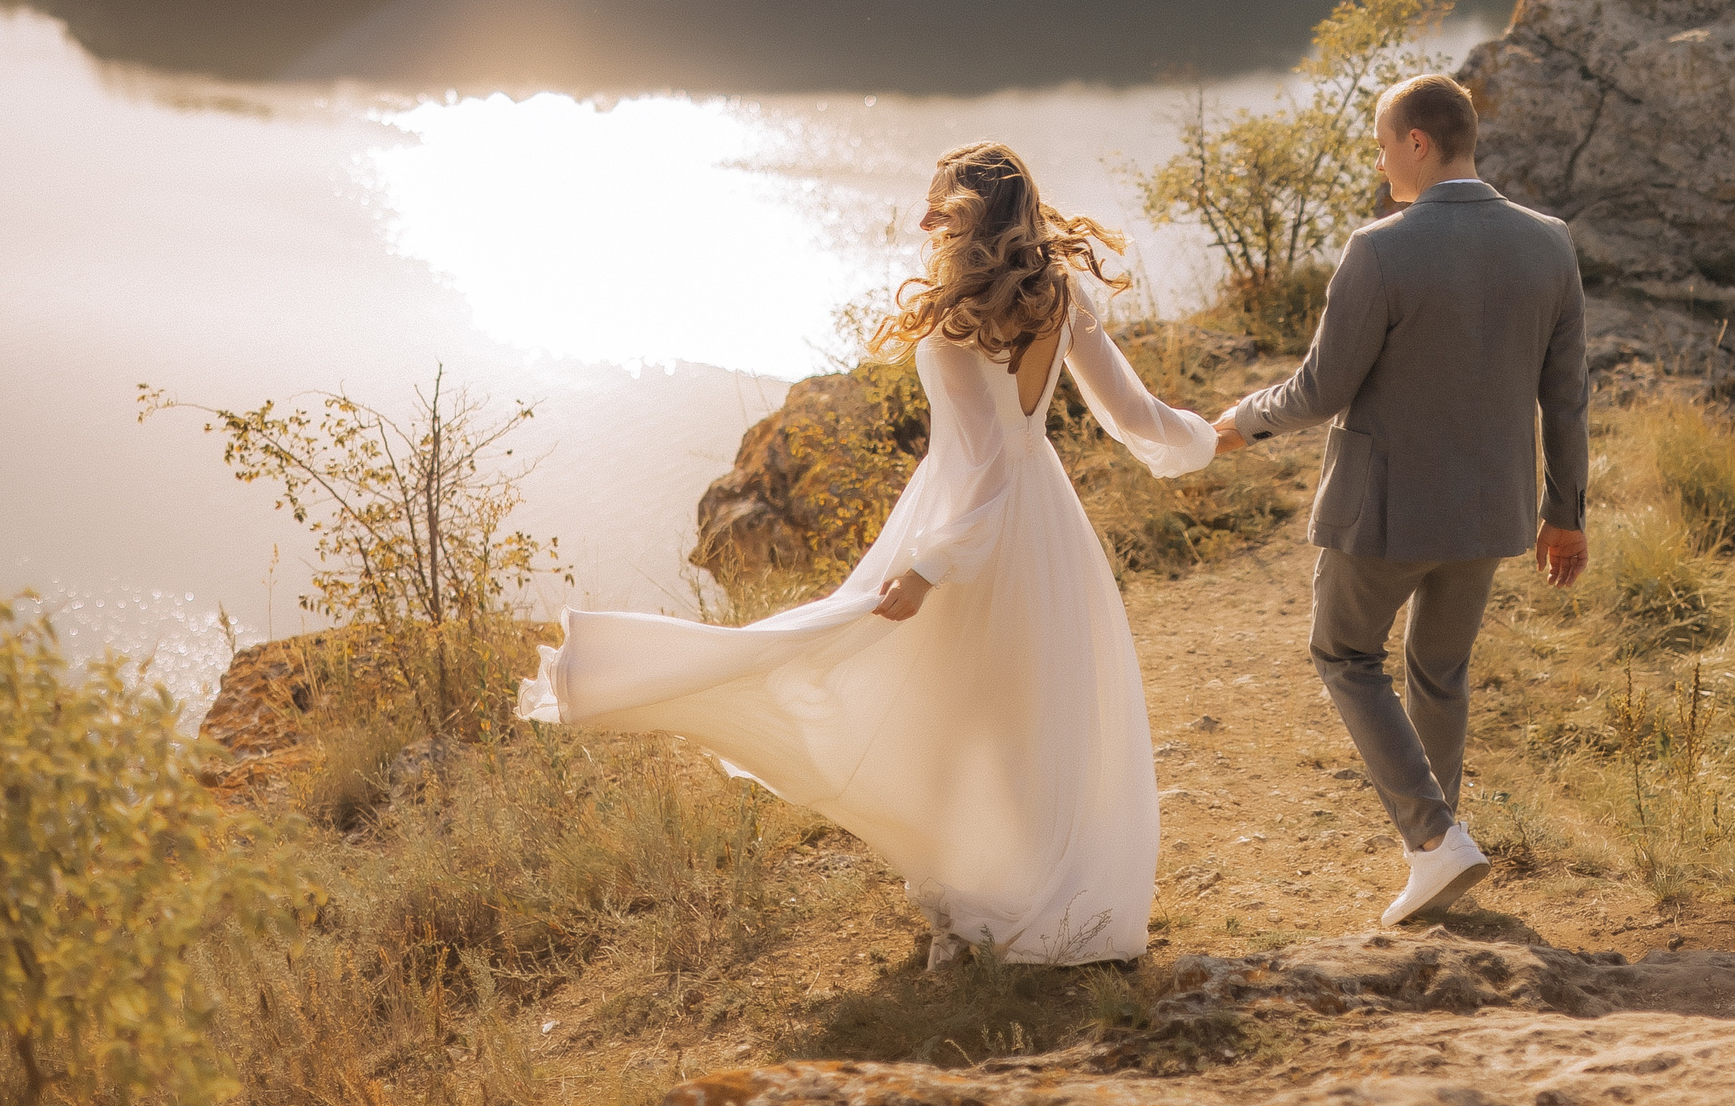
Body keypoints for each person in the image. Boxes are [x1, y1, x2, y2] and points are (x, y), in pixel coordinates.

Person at [518, 142, 1217, 968]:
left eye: (939, 204)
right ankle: (1005, 890)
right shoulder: (1059, 295)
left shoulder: (960, 322)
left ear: (976, 215)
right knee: (1026, 709)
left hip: (971, 531)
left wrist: (928, 568)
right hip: (1045, 527)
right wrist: (1207, 436)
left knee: (948, 709)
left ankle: (988, 900)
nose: (922, 220)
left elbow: (986, 471)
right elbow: (1135, 416)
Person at [1215, 73, 1590, 926]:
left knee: (1345, 652)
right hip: (1493, 511)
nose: (1381, 162)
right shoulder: (1551, 242)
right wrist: (1565, 512)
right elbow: (1567, 395)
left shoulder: (1379, 248)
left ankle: (1433, 839)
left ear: (1418, 142)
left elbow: (1319, 389)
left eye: (1384, 145)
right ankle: (1440, 854)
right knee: (1439, 670)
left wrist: (1242, 420)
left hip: (1384, 510)